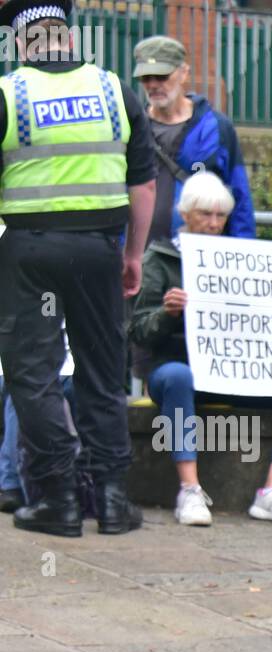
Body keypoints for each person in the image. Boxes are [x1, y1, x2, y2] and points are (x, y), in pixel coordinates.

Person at [0, 0, 155, 537]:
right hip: (99, 251)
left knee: (33, 374)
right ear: (68, 33)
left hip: (28, 253)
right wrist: (133, 255)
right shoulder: (115, 90)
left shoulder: (7, 93)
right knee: (102, 370)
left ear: (21, 41)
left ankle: (59, 499)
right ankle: (112, 500)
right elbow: (144, 183)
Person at [128, 171, 272, 528]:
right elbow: (138, 332)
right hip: (177, 371)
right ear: (185, 214)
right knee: (177, 376)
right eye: (206, 215)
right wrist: (168, 314)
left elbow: (264, 337)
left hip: (233, 372)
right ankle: (189, 488)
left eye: (221, 216)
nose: (215, 224)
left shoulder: (241, 258)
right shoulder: (160, 260)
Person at [133, 36, 254, 247]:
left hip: (200, 257)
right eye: (145, 77)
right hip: (142, 258)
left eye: (161, 76)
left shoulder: (217, 128)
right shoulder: (133, 127)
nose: (152, 84)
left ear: (183, 73)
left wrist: (243, 254)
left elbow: (240, 197)